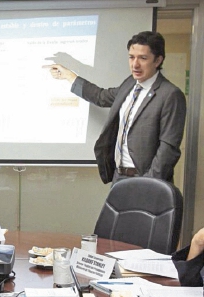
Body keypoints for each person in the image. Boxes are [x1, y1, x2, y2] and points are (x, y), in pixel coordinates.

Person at [45, 31, 186, 184]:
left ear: (158, 60)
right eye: (132, 57)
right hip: (119, 177)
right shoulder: (129, 83)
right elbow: (101, 96)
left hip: (146, 179)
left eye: (143, 58)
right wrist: (69, 76)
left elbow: (168, 148)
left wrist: (149, 183)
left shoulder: (170, 94)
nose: (135, 64)